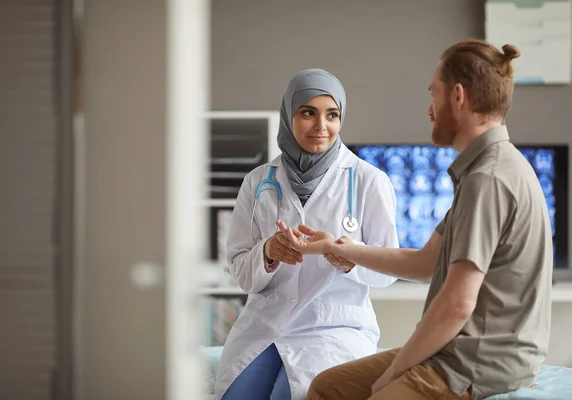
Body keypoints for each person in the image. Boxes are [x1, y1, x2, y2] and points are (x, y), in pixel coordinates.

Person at [279, 40, 554, 400]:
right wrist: (337, 247)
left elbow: (457, 305)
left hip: (477, 362)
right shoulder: (490, 168)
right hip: (462, 351)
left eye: (433, 95)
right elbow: (426, 263)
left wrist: (394, 373)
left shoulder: (488, 179)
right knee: (327, 387)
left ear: (457, 97)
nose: (430, 109)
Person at [214, 68, 399, 400]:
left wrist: (349, 257)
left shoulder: (369, 181)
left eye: (332, 115)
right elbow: (241, 274)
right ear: (289, 116)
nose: (321, 126)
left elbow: (389, 271)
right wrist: (268, 253)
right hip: (265, 325)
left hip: (332, 328)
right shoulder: (257, 182)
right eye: (308, 113)